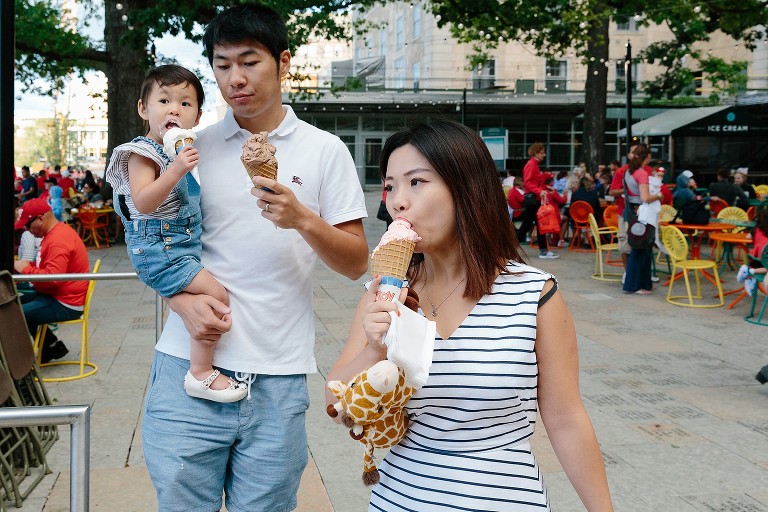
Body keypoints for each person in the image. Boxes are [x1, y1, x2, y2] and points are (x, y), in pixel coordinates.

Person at [140, 5, 369, 511]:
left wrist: (303, 219)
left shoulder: (324, 150)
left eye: (249, 61)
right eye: (222, 65)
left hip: (278, 375)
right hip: (187, 366)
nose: (235, 78)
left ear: (283, 62)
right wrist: (177, 299)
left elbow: (356, 262)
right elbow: (151, 240)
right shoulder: (189, 149)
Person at [327, 120, 613, 512]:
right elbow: (334, 400)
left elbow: (566, 418)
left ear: (466, 189)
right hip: (400, 499)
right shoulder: (385, 292)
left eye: (417, 182)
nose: (397, 201)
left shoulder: (533, 294)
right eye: (391, 185)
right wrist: (375, 349)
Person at [106, 64, 247, 403]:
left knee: (206, 298)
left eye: (185, 104)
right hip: (159, 251)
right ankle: (200, 372)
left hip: (177, 249)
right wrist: (178, 169)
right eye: (164, 100)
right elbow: (144, 200)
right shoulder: (142, 153)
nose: (174, 109)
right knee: (218, 295)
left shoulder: (180, 151)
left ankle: (202, 363)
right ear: (143, 109)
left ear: (197, 115)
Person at [13, 198, 90, 363]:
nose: (26, 230)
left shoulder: (57, 240)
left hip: (65, 302)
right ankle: (52, 346)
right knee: (13, 304)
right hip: (59, 295)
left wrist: (25, 270)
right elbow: (49, 269)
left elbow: (53, 278)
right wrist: (27, 267)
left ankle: (19, 364)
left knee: (13, 315)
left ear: (40, 218)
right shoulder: (56, 233)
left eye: (27, 225)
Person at [622, 144, 659, 295]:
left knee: (641, 247)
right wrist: (660, 195)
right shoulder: (642, 173)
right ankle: (634, 285)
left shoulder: (629, 172)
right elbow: (645, 197)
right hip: (643, 213)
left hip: (633, 211)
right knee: (641, 248)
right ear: (647, 156)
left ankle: (641, 284)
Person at [516, 142, 559, 259]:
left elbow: (532, 181)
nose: (544, 155)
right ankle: (543, 251)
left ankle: (543, 251)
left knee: (533, 225)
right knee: (530, 225)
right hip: (533, 199)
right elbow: (528, 182)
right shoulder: (532, 164)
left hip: (534, 199)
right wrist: (540, 190)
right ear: (535, 153)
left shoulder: (533, 164)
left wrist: (543, 179)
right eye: (542, 152)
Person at [737, 208, 768, 297]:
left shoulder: (756, 229)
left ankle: (750, 271)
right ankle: (750, 272)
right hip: (764, 260)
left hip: (755, 258)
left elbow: (747, 237)